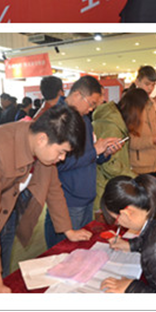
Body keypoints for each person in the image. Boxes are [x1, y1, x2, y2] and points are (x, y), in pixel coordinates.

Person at [0, 105, 93, 293]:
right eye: (61, 152)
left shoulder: (40, 144)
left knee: (2, 270)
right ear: (42, 139)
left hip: (7, 214)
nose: (62, 158)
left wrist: (68, 230)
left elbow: (54, 189)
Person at [44, 76, 122, 248]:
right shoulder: (57, 118)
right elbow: (58, 163)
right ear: (78, 95)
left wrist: (104, 153)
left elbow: (89, 156)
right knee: (63, 250)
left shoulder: (85, 119)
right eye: (91, 103)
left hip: (87, 196)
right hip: (68, 199)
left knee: (81, 249)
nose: (91, 109)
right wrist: (95, 151)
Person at [91, 88, 144, 210]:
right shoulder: (113, 126)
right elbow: (110, 165)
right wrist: (133, 176)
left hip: (104, 184)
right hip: (104, 186)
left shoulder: (115, 122)